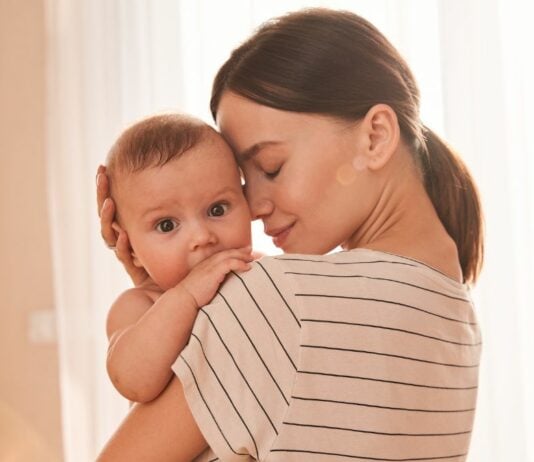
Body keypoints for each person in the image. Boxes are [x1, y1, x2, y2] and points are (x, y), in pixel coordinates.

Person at [96, 7, 483, 462]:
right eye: (243, 183)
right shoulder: (457, 316)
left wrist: (160, 297)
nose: (255, 209)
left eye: (271, 168)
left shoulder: (276, 297)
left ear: (376, 137)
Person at [102, 113, 253, 404]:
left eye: (218, 209)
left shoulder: (258, 271)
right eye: (167, 225)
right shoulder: (141, 306)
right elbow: (133, 381)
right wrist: (186, 296)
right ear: (129, 246)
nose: (202, 237)